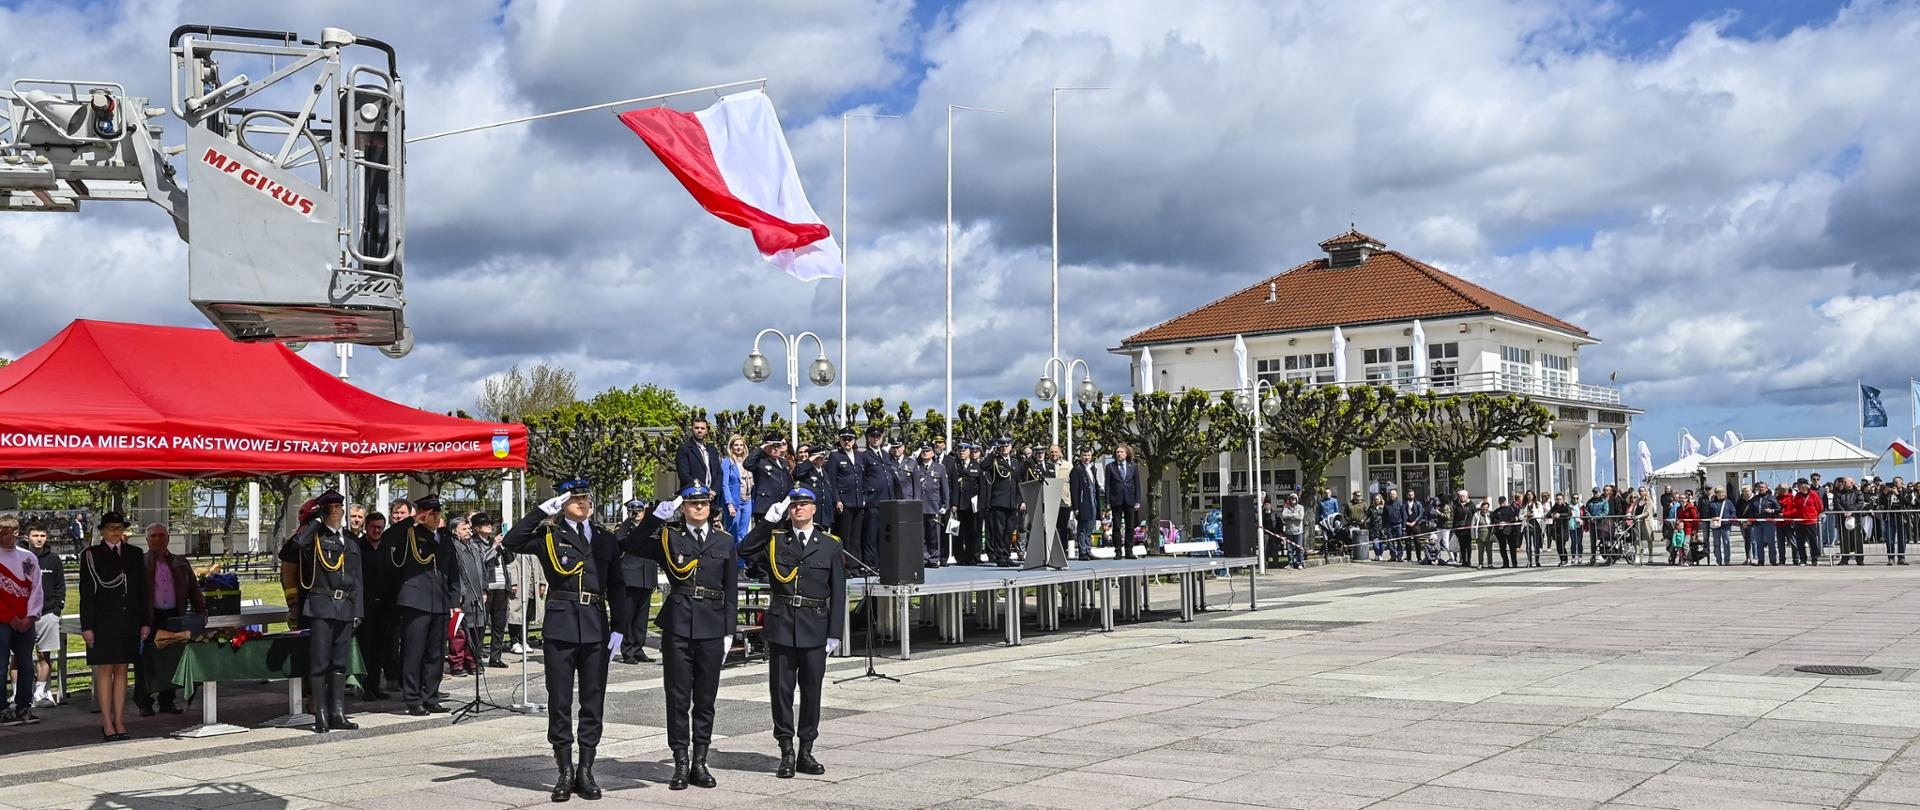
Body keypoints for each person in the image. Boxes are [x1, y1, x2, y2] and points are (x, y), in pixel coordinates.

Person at [504, 477, 624, 802]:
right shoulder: (548, 534)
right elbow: (512, 541)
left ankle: (586, 769)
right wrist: (540, 511)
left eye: (586, 498)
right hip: (560, 625)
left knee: (593, 700)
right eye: (575, 499)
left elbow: (617, 586)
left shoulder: (604, 538)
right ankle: (564, 770)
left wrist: (620, 629)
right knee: (559, 701)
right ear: (561, 503)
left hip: (597, 626)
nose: (583, 503)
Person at [625, 486, 740, 791]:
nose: (698, 508)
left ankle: (700, 762)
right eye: (692, 504)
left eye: (703, 503)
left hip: (713, 626)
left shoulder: (725, 541)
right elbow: (633, 545)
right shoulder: (669, 536)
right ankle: (680, 762)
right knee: (677, 699)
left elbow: (731, 590)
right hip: (678, 625)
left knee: (705, 699)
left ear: (710, 507)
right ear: (684, 508)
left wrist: (730, 631)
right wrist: (653, 518)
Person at [743, 488, 845, 779]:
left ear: (814, 509)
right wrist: (766, 523)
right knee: (781, 691)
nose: (798, 509)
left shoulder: (830, 545)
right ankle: (786, 749)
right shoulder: (776, 540)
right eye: (794, 505)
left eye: (804, 505)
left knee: (812, 691)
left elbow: (838, 592)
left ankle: (806, 750)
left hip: (815, 626)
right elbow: (744, 552)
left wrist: (834, 632)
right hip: (782, 625)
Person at [285, 490, 362, 733]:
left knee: (340, 663)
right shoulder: (314, 538)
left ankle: (337, 712)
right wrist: (316, 519)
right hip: (321, 605)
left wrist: (358, 609)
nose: (337, 511)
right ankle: (320, 714)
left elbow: (358, 578)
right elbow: (296, 545)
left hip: (345, 606)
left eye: (339, 507)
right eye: (332, 508)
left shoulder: (349, 540)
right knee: (319, 663)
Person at [78, 512, 146, 741]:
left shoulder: (135, 554)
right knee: (105, 670)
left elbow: (141, 590)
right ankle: (107, 722)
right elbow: (86, 594)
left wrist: (145, 622)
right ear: (102, 530)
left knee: (123, 671)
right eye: (111, 528)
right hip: (103, 621)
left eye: (119, 527)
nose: (116, 532)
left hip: (128, 620)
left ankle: (120, 720)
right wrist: (87, 626)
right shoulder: (91, 555)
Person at [391, 495, 457, 716]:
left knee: (436, 653)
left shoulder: (445, 538)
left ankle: (431, 696)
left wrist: (454, 601)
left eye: (437, 512)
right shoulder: (410, 533)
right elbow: (389, 538)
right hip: (416, 601)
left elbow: (453, 572)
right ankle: (413, 698)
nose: (435, 516)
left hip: (439, 602)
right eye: (430, 512)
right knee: (414, 652)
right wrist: (412, 521)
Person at [137, 523, 204, 717]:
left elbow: (194, 589)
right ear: (147, 540)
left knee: (173, 659)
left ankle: (167, 700)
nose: (157, 539)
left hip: (174, 616)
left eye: (161, 535)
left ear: (168, 539)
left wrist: (201, 611)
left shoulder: (180, 562)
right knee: (147, 661)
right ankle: (145, 702)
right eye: (153, 536)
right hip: (150, 618)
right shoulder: (140, 563)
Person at [0, 515, 46, 726]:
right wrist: (11, 617)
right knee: (1, 666)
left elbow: (36, 589)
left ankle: (23, 706)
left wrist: (30, 616)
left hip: (26, 620)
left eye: (4, 531)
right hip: (3, 621)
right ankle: (2, 708)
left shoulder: (28, 558)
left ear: (16, 533)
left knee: (26, 665)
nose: (1, 535)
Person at [356, 511, 398, 701]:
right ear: (366, 527)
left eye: (380, 527)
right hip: (365, 606)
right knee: (365, 647)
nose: (376, 530)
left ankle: (375, 685)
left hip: (384, 607)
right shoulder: (358, 548)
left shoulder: (387, 549)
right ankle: (365, 687)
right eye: (373, 527)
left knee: (380, 648)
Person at [613, 499, 659, 665]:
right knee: (628, 617)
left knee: (641, 618)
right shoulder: (624, 528)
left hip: (647, 576)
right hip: (630, 576)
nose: (638, 513)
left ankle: (639, 648)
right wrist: (627, 522)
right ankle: (628, 651)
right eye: (635, 510)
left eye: (640, 510)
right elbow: (619, 542)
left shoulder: (649, 527)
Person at [26, 522, 63, 708]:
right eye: (35, 535)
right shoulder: (21, 557)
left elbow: (60, 586)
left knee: (44, 656)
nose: (39, 539)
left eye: (42, 535)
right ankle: (18, 695)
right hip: (23, 616)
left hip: (47, 614)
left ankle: (39, 693)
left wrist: (56, 610)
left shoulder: (54, 559)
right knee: (19, 656)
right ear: (27, 537)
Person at [446, 517, 485, 678]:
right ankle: (457, 664)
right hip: (461, 595)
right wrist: (458, 593)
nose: (468, 531)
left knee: (475, 629)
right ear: (455, 531)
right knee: (459, 632)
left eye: (469, 528)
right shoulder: (452, 547)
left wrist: (485, 589)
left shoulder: (474, 546)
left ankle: (473, 662)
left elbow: (482, 568)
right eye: (464, 528)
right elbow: (453, 573)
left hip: (476, 593)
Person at [473, 513, 512, 669]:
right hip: (487, 587)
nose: (490, 526)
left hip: (502, 586)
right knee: (482, 624)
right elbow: (481, 561)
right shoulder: (475, 543)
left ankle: (495, 657)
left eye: (491, 524)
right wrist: (494, 547)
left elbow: (510, 559)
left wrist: (505, 546)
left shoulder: (494, 541)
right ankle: (476, 658)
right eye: (486, 524)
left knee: (499, 624)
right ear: (477, 528)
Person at [857, 426, 893, 565]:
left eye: (878, 436)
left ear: (882, 438)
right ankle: (871, 563)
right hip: (873, 500)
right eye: (873, 437)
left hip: (887, 499)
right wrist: (865, 497)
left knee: (885, 534)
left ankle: (884, 562)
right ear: (868, 439)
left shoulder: (885, 454)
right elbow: (861, 477)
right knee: (871, 534)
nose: (876, 439)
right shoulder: (864, 456)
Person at [748, 434, 795, 534]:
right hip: (765, 507)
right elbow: (747, 464)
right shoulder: (761, 461)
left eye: (778, 446)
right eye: (773, 446)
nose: (776, 449)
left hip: (781, 508)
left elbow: (789, 484)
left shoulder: (784, 462)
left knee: (779, 538)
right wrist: (761, 448)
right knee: (763, 538)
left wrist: (789, 506)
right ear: (767, 446)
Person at [986, 438, 1023, 567]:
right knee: (999, 531)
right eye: (1002, 446)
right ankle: (999, 556)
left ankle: (1007, 555)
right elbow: (983, 466)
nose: (1004, 448)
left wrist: (1020, 500)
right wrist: (992, 453)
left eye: (1006, 446)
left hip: (1012, 502)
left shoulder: (1015, 462)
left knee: (1009, 531)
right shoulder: (995, 461)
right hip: (999, 501)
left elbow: (1018, 483)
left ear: (1011, 447)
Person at [913, 446, 950, 567]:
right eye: (923, 451)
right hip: (920, 505)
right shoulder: (916, 467)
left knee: (934, 535)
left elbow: (944, 488)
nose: (925, 454)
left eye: (927, 451)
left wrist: (945, 504)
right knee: (922, 534)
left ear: (933, 453)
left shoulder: (940, 468)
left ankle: (934, 558)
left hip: (934, 505)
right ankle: (924, 557)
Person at [1105, 445, 1142, 560]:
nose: (1119, 454)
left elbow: (1137, 485)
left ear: (1126, 454)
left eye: (1121, 452)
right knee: (1116, 526)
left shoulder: (1133, 467)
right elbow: (1108, 485)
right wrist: (1107, 502)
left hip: (1129, 499)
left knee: (1130, 526)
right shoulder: (1110, 467)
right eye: (1117, 452)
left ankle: (1129, 550)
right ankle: (1118, 551)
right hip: (1116, 500)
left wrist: (1137, 501)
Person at [1068, 449, 1102, 562]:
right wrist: (1076, 507)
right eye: (1084, 455)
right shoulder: (1077, 470)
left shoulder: (1092, 469)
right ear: (1080, 456)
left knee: (1089, 528)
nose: (1086, 457)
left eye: (1088, 455)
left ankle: (1088, 549)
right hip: (1083, 503)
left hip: (1093, 502)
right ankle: (1082, 552)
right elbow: (1074, 490)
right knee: (1082, 529)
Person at [722, 434, 754, 541]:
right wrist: (729, 504)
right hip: (734, 501)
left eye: (741, 445)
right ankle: (731, 557)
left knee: (743, 534)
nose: (739, 447)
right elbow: (724, 484)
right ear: (731, 447)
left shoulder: (748, 462)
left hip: (747, 500)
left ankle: (741, 558)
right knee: (732, 534)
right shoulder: (727, 462)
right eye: (736, 445)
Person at [1277, 493, 1305, 570]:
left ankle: (1299, 563)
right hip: (1289, 531)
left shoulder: (1300, 507)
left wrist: (1290, 516)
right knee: (1289, 549)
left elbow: (1300, 517)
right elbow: (1284, 516)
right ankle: (1290, 563)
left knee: (1299, 548)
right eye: (1291, 499)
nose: (1293, 500)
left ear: (1297, 500)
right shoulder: (1286, 508)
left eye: (1294, 499)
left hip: (1298, 531)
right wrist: (1294, 515)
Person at [1490, 496, 1519, 568]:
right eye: (1500, 501)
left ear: (1506, 501)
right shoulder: (1496, 511)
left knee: (1512, 548)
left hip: (1510, 531)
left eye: (1503, 501)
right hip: (1500, 532)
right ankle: (1505, 563)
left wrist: (1506, 523)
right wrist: (1499, 522)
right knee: (1502, 548)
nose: (1502, 503)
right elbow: (1493, 519)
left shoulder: (1510, 509)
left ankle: (1514, 563)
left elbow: (1513, 518)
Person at [1450, 489, 1474, 567]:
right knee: (1462, 546)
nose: (1462, 498)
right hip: (1460, 529)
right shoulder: (1457, 506)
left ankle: (1468, 561)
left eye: (1463, 496)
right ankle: (1463, 561)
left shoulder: (1471, 505)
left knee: (1468, 546)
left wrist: (1471, 525)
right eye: (1460, 496)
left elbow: (1475, 516)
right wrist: (1454, 527)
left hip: (1468, 529)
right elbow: (1455, 517)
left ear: (1467, 496)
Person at [1547, 493, 1573, 566]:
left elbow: (1569, 514)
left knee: (1562, 545)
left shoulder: (1566, 506)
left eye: (1560, 499)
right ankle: (1562, 559)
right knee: (1558, 546)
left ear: (1563, 500)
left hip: (1564, 528)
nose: (1558, 501)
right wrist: (1552, 515)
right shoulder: (1555, 506)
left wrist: (1560, 515)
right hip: (1556, 528)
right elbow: (1548, 514)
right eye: (1557, 499)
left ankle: (1565, 559)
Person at [1471, 499, 1494, 568]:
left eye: (1486, 508)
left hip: (1489, 536)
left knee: (1489, 551)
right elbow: (1473, 526)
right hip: (1480, 536)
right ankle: (1480, 563)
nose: (1485, 509)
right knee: (1480, 551)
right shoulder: (1476, 515)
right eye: (1484, 508)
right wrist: (1473, 537)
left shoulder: (1490, 514)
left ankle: (1490, 564)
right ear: (1481, 507)